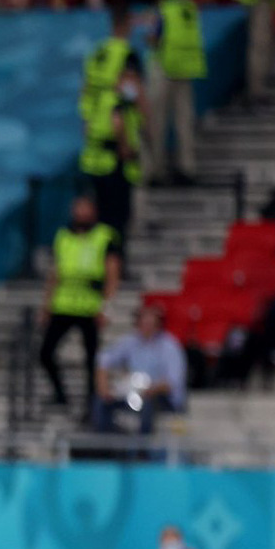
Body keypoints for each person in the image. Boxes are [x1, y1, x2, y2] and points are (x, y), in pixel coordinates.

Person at [37, 195, 121, 413]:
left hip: (89, 306)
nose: (81, 213)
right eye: (78, 208)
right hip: (63, 304)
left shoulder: (105, 236)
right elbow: (55, 272)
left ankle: (91, 404)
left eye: (85, 208)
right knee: (45, 353)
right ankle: (60, 394)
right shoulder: (63, 236)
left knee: (92, 358)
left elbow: (112, 274)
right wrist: (46, 305)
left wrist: (106, 307)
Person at [80, 67, 143, 272]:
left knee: (102, 221)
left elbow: (87, 127)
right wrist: (125, 148)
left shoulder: (98, 99)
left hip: (96, 166)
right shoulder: (117, 102)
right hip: (114, 168)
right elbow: (118, 125)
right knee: (117, 220)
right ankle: (116, 264)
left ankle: (100, 263)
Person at [144, 0, 203, 185]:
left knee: (157, 121)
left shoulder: (164, 9)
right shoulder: (190, 8)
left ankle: (156, 170)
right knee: (184, 121)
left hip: (164, 67)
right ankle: (187, 166)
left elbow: (153, 38)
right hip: (185, 68)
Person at [91, 304, 187, 435]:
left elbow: (173, 382)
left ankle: (143, 450)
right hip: (133, 394)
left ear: (158, 324)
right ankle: (105, 446)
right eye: (143, 322)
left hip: (160, 397)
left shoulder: (170, 346)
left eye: (150, 323)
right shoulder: (130, 341)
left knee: (147, 404)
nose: (146, 326)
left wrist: (151, 390)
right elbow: (104, 359)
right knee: (102, 401)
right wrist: (103, 386)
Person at [79, 6, 138, 125]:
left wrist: (86, 120)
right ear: (127, 25)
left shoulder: (96, 52)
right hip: (118, 124)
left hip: (94, 124)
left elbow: (86, 89)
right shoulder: (127, 53)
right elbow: (132, 92)